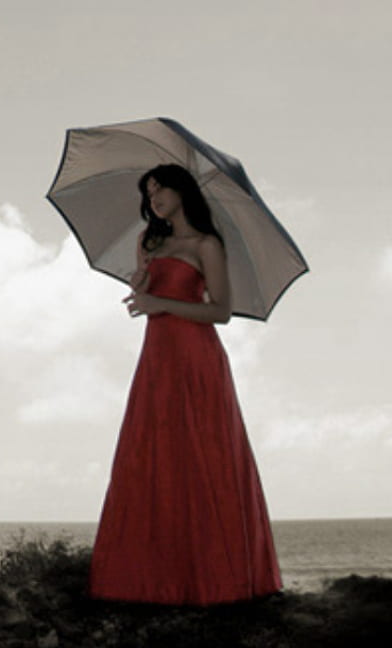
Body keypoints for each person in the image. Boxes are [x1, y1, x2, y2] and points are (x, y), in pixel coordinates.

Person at [88, 163, 283, 606]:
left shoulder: (206, 244)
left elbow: (221, 311)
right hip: (157, 357)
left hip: (197, 357)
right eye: (148, 190)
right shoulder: (148, 241)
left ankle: (217, 581)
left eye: (160, 187)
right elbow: (145, 297)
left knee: (203, 453)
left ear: (182, 190)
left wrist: (161, 301)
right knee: (153, 452)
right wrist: (141, 285)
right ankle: (154, 580)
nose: (153, 195)